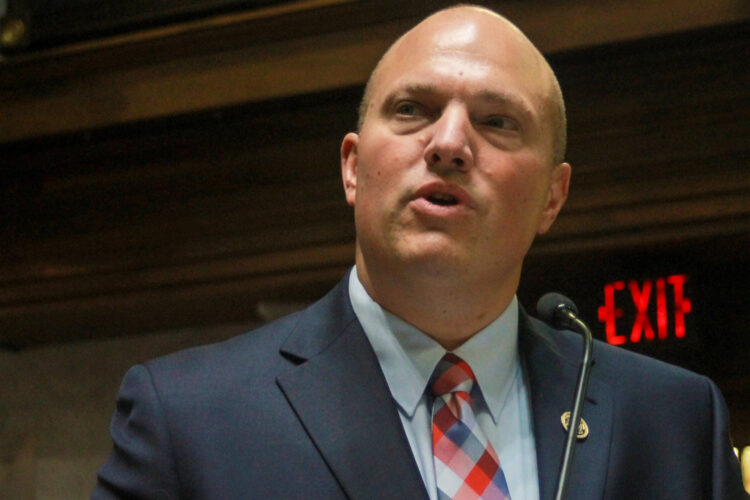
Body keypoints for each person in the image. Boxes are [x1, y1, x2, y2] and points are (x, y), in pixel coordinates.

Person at [93, 5, 748, 499]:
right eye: (412, 110)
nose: (449, 142)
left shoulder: (673, 420)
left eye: (497, 121)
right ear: (352, 168)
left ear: (553, 196)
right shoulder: (187, 417)